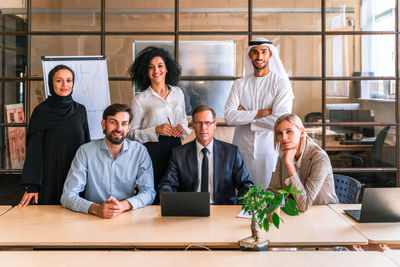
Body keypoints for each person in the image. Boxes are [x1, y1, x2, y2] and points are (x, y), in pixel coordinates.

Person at [61, 104, 155, 218]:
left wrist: (122, 206)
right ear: (103, 124)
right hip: (92, 217)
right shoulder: (85, 151)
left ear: (129, 127)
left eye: (124, 124)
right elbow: (68, 195)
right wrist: (96, 209)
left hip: (127, 216)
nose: (119, 128)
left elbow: (149, 192)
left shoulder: (140, 152)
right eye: (113, 122)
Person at [224, 37, 294, 188]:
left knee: (270, 195)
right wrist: (262, 112)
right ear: (250, 55)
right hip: (241, 148)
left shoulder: (281, 84)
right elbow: (229, 117)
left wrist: (245, 116)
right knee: (242, 196)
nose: (259, 56)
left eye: (264, 52)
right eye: (255, 52)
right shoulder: (239, 84)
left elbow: (280, 121)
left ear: (270, 55)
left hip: (269, 149)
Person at [19, 65, 90, 207]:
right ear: (51, 83)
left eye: (69, 80)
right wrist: (33, 185)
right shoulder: (41, 111)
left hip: (75, 175)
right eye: (59, 80)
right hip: (48, 176)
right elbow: (34, 150)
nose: (65, 85)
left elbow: (87, 146)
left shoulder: (80, 110)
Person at [128, 46, 191, 204]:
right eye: (151, 67)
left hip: (177, 147)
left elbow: (183, 118)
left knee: (176, 190)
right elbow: (131, 133)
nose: (156, 70)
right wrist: (155, 129)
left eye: (160, 66)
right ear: (145, 71)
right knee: (155, 192)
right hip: (152, 151)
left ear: (167, 68)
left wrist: (182, 128)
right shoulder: (140, 99)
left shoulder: (178, 93)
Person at [158, 105, 254, 205]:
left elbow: (246, 185)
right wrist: (169, 203)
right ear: (193, 125)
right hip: (190, 210)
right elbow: (168, 184)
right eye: (199, 123)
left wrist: (240, 208)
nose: (203, 127)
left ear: (214, 124)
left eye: (208, 123)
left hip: (223, 210)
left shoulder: (231, 152)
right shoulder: (179, 154)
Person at [268, 113, 339, 212]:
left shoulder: (319, 158)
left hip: (324, 214)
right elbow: (274, 191)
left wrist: (290, 165)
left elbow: (304, 205)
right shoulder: (283, 155)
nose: (283, 137)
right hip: (295, 215)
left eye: (289, 131)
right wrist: (260, 201)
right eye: (280, 133)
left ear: (301, 132)